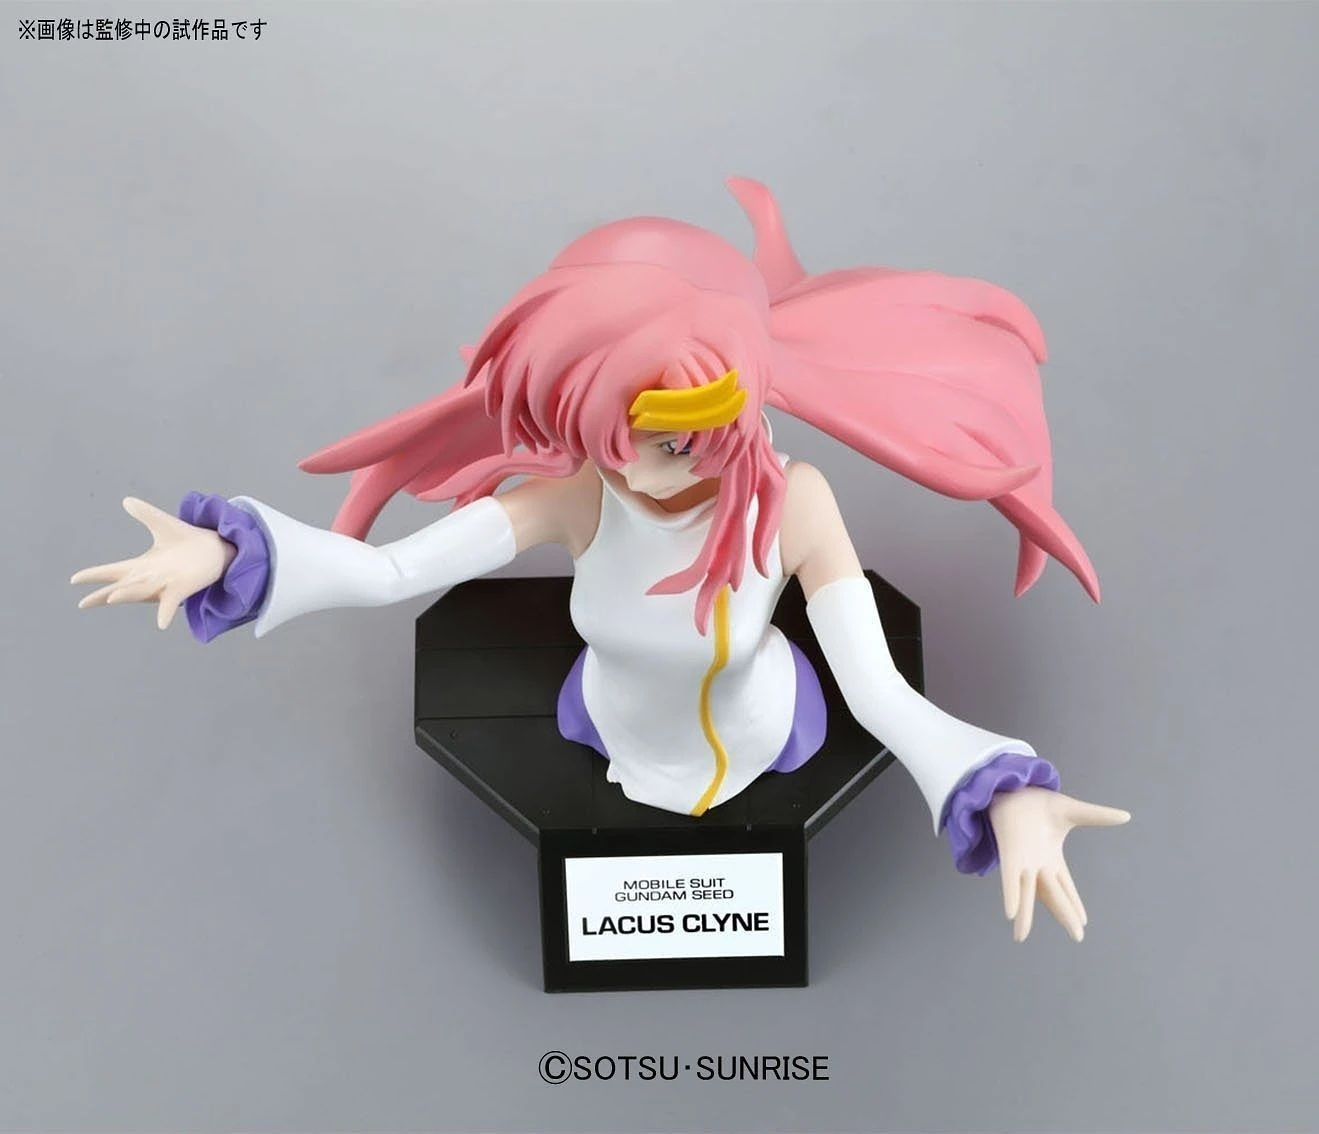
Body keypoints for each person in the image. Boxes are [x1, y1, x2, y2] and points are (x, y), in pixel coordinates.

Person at [71, 177, 1129, 943]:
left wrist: (998, 789)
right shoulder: (579, 493)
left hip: (764, 731)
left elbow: (879, 692)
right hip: (608, 720)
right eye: (617, 437)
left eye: (681, 437)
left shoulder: (793, 504)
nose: (648, 470)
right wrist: (234, 552)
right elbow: (394, 574)